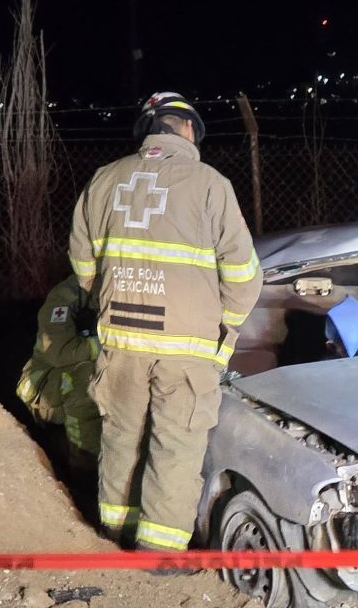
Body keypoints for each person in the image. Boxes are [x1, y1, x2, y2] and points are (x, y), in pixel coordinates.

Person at [69, 91, 262, 555]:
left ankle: (112, 535)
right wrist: (225, 333)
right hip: (185, 349)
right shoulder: (210, 184)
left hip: (121, 343)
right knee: (175, 448)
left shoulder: (104, 180)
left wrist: (107, 305)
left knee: (119, 437)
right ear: (190, 129)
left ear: (148, 130)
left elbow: (82, 261)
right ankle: (160, 558)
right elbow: (243, 274)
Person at [16, 274, 101, 474]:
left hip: (82, 374)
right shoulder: (67, 296)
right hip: (45, 382)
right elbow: (59, 352)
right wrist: (110, 343)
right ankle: (84, 468)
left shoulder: (124, 288)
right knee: (86, 379)